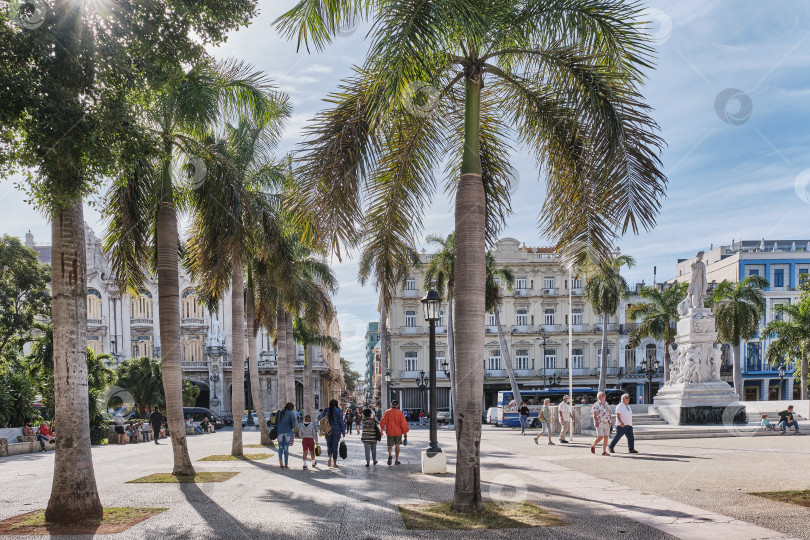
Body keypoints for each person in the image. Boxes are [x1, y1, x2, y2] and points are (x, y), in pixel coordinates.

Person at [380, 400, 409, 465]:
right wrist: (405, 434)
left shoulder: (387, 412)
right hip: (398, 432)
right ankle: (396, 460)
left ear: (391, 405)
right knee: (397, 445)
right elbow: (403, 424)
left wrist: (381, 431)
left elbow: (382, 422)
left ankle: (390, 455)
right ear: (397, 405)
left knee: (390, 445)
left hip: (390, 432)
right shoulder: (400, 413)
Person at [324, 399, 346, 468]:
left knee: (329, 445)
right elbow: (341, 422)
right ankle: (334, 463)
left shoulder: (326, 410)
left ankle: (329, 459)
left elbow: (321, 419)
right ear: (336, 404)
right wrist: (343, 431)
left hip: (328, 430)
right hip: (337, 430)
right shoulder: (338, 411)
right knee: (335, 447)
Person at [590, 391, 612, 456]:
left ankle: (604, 451)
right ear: (599, 397)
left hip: (606, 422)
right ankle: (593, 446)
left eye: (604, 395)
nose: (604, 396)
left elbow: (609, 412)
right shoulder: (596, 405)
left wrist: (610, 420)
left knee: (606, 437)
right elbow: (594, 414)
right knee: (600, 437)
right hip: (600, 422)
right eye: (602, 395)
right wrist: (596, 422)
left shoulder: (606, 404)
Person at [276, 402, 297, 469]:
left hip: (279, 432)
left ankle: (280, 461)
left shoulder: (279, 412)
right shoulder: (291, 413)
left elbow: (276, 422)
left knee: (280, 447)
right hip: (288, 432)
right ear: (291, 408)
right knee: (286, 448)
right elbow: (293, 425)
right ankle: (286, 464)